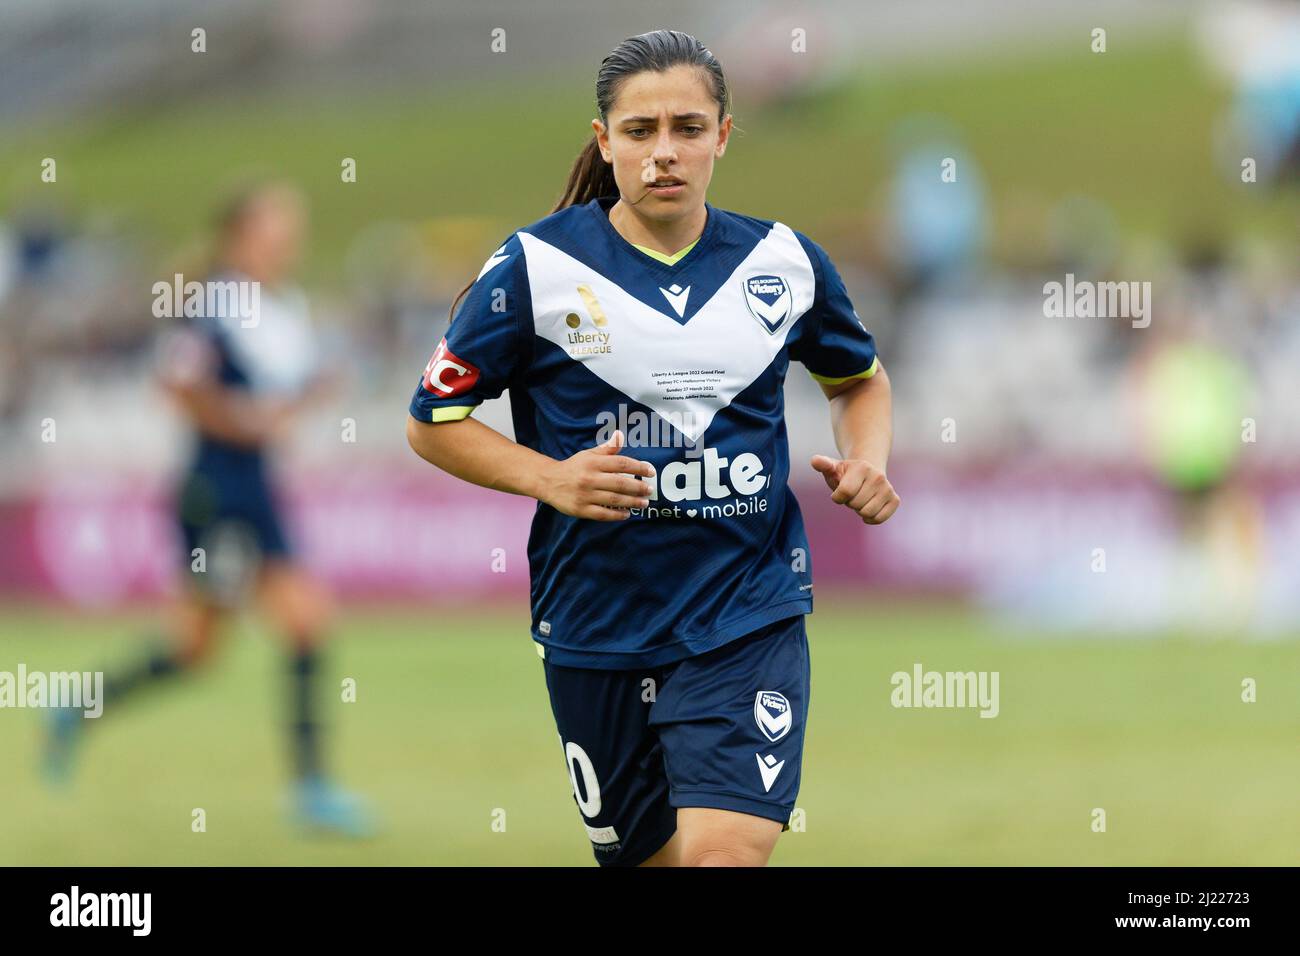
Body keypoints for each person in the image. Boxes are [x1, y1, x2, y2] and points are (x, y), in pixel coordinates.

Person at [406, 30, 897, 866]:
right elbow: (432, 421)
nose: (664, 152)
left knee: (722, 856)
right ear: (605, 141)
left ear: (724, 135)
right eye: (639, 132)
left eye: (687, 128)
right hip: (597, 622)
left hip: (747, 611)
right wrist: (553, 479)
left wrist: (869, 460)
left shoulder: (784, 262)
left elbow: (857, 379)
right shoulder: (535, 268)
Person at [45, 181, 374, 838]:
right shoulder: (215, 304)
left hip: (254, 488)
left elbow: (277, 405)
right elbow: (178, 383)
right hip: (216, 493)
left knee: (196, 650)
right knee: (303, 622)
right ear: (240, 236)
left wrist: (309, 397)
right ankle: (312, 791)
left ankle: (76, 708)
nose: (289, 239)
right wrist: (246, 421)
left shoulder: (280, 307)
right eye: (276, 226)